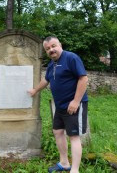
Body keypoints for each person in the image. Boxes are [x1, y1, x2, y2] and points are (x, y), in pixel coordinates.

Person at [28, 36, 88, 173]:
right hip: (60, 105)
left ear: (60, 45)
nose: (51, 50)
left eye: (53, 46)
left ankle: (75, 170)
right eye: (48, 48)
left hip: (74, 105)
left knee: (73, 136)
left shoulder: (71, 58)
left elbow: (83, 79)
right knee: (58, 131)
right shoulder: (51, 64)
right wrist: (35, 90)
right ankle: (64, 163)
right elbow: (46, 80)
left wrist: (76, 101)